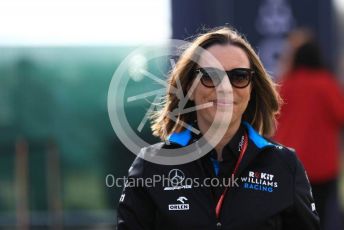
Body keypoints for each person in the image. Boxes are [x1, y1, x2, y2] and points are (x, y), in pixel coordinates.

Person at [116, 26, 320, 229]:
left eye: (239, 77)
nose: (225, 88)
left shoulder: (284, 165)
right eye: (210, 76)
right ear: (188, 87)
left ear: (251, 88)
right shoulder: (151, 165)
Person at [275, 37, 344, 230]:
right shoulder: (326, 84)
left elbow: (272, 117)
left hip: (289, 164)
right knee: (318, 216)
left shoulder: (285, 84)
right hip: (323, 167)